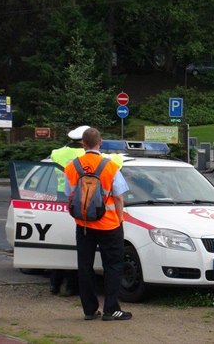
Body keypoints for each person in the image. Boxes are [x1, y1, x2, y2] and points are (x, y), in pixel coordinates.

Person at [64, 128, 132, 321]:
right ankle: (111, 309)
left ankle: (89, 310)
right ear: (100, 143)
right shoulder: (110, 166)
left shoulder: (72, 166)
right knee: (113, 265)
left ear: (83, 144)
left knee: (84, 266)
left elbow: (69, 195)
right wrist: (119, 219)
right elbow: (118, 197)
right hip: (109, 225)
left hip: (84, 224)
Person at [48, 125, 91, 297]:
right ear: (84, 141)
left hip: (58, 200)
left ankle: (55, 283)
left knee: (59, 243)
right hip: (78, 201)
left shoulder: (56, 153)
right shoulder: (85, 155)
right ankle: (72, 286)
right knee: (76, 246)